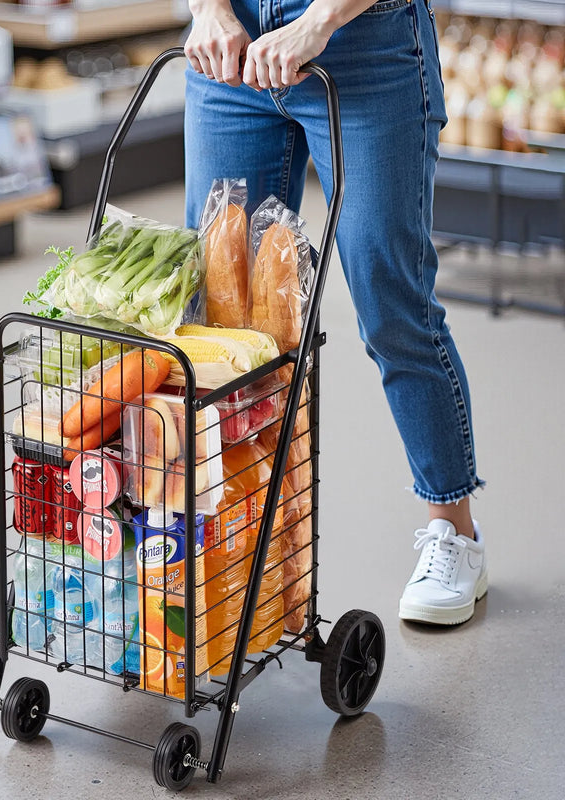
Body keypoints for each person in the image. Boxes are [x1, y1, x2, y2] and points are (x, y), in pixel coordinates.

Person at [183, 0, 487, 625]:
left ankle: (453, 531)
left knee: (389, 300)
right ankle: (242, 547)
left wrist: (318, 21)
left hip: (365, 44)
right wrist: (207, 8)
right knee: (218, 317)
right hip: (231, 47)